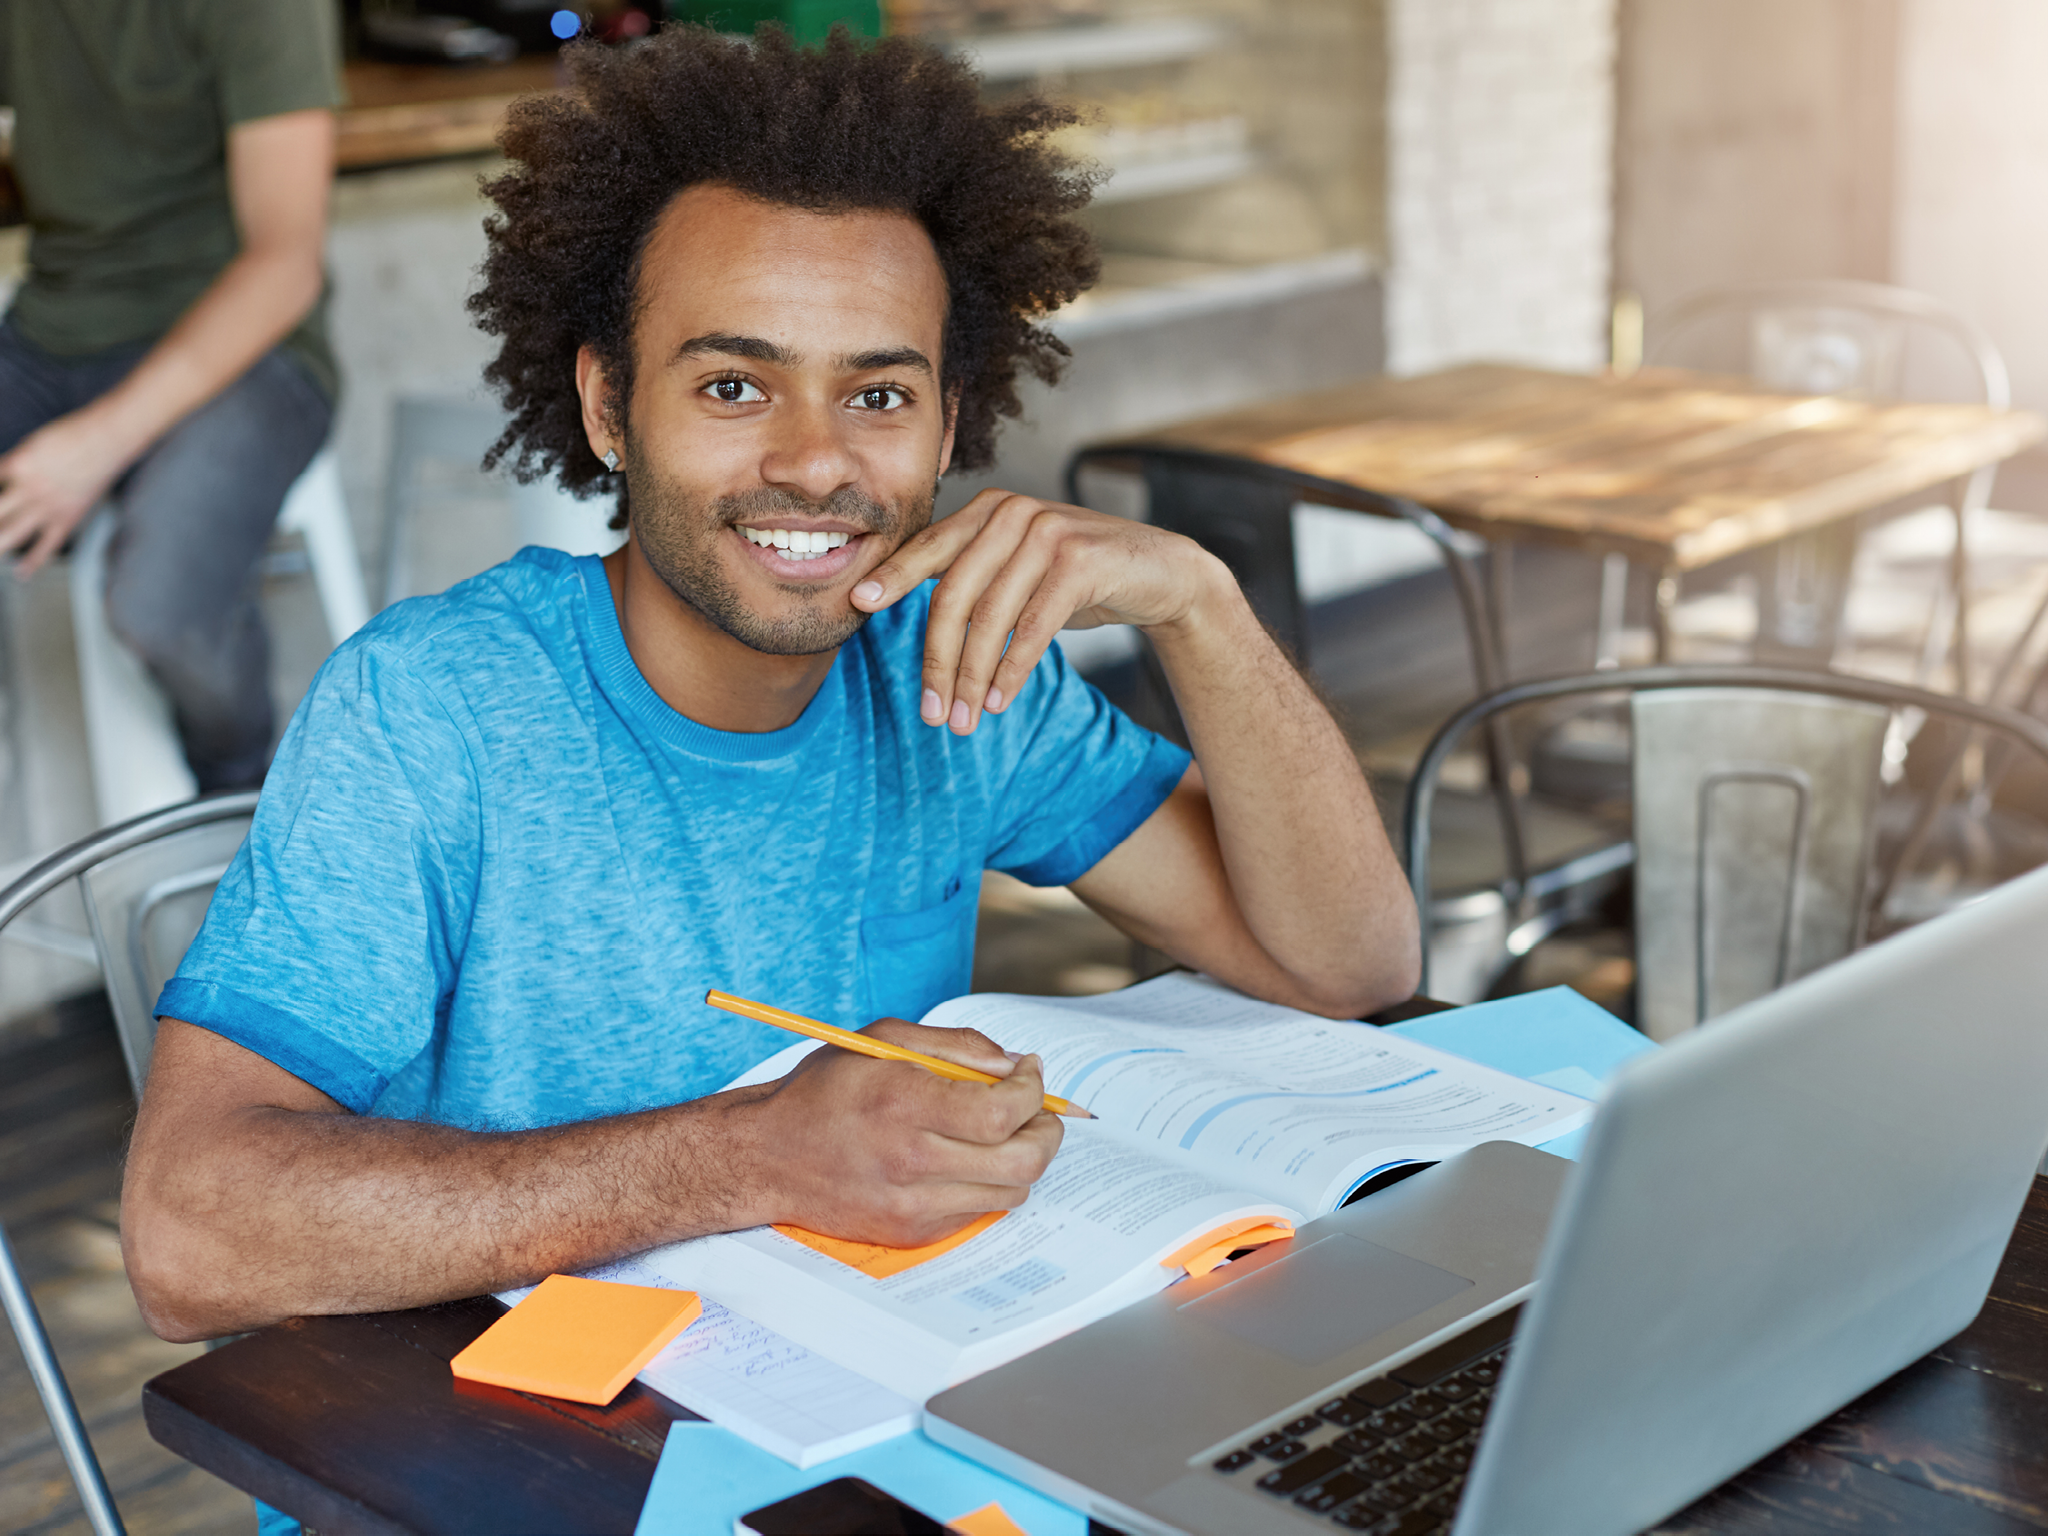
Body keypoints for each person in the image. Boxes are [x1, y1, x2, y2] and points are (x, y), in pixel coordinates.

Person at [122, 27, 1418, 1347]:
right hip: (485, 1445)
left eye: (878, 393)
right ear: (611, 407)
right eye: (735, 385)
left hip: (855, 1395)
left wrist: (1199, 605)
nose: (813, 463)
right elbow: (186, 1234)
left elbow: (1347, 964)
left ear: (952, 425)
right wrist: (749, 1156)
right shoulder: (435, 709)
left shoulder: (949, 671)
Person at [0, 0, 341, 792]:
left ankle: (242, 801)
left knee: (160, 603)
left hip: (250, 348)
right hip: (56, 333)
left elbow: (285, 265)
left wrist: (95, 445)